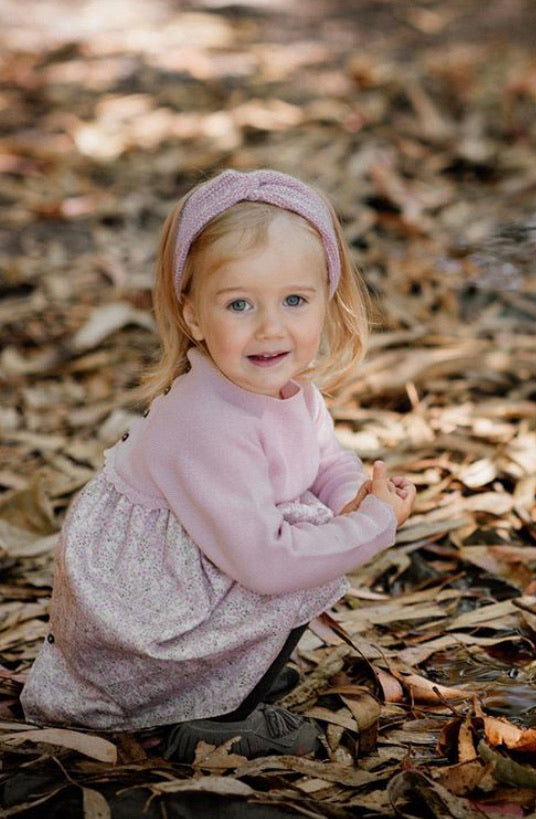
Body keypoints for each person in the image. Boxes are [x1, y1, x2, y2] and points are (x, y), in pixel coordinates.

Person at [20, 169, 416, 762]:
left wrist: (354, 496)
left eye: (294, 300)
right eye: (238, 303)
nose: (270, 327)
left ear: (326, 299)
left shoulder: (289, 389)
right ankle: (202, 718)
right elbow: (267, 563)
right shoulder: (202, 424)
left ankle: (228, 675)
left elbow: (324, 459)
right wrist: (371, 526)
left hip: (202, 573)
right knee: (302, 551)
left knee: (312, 526)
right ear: (194, 317)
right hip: (142, 625)